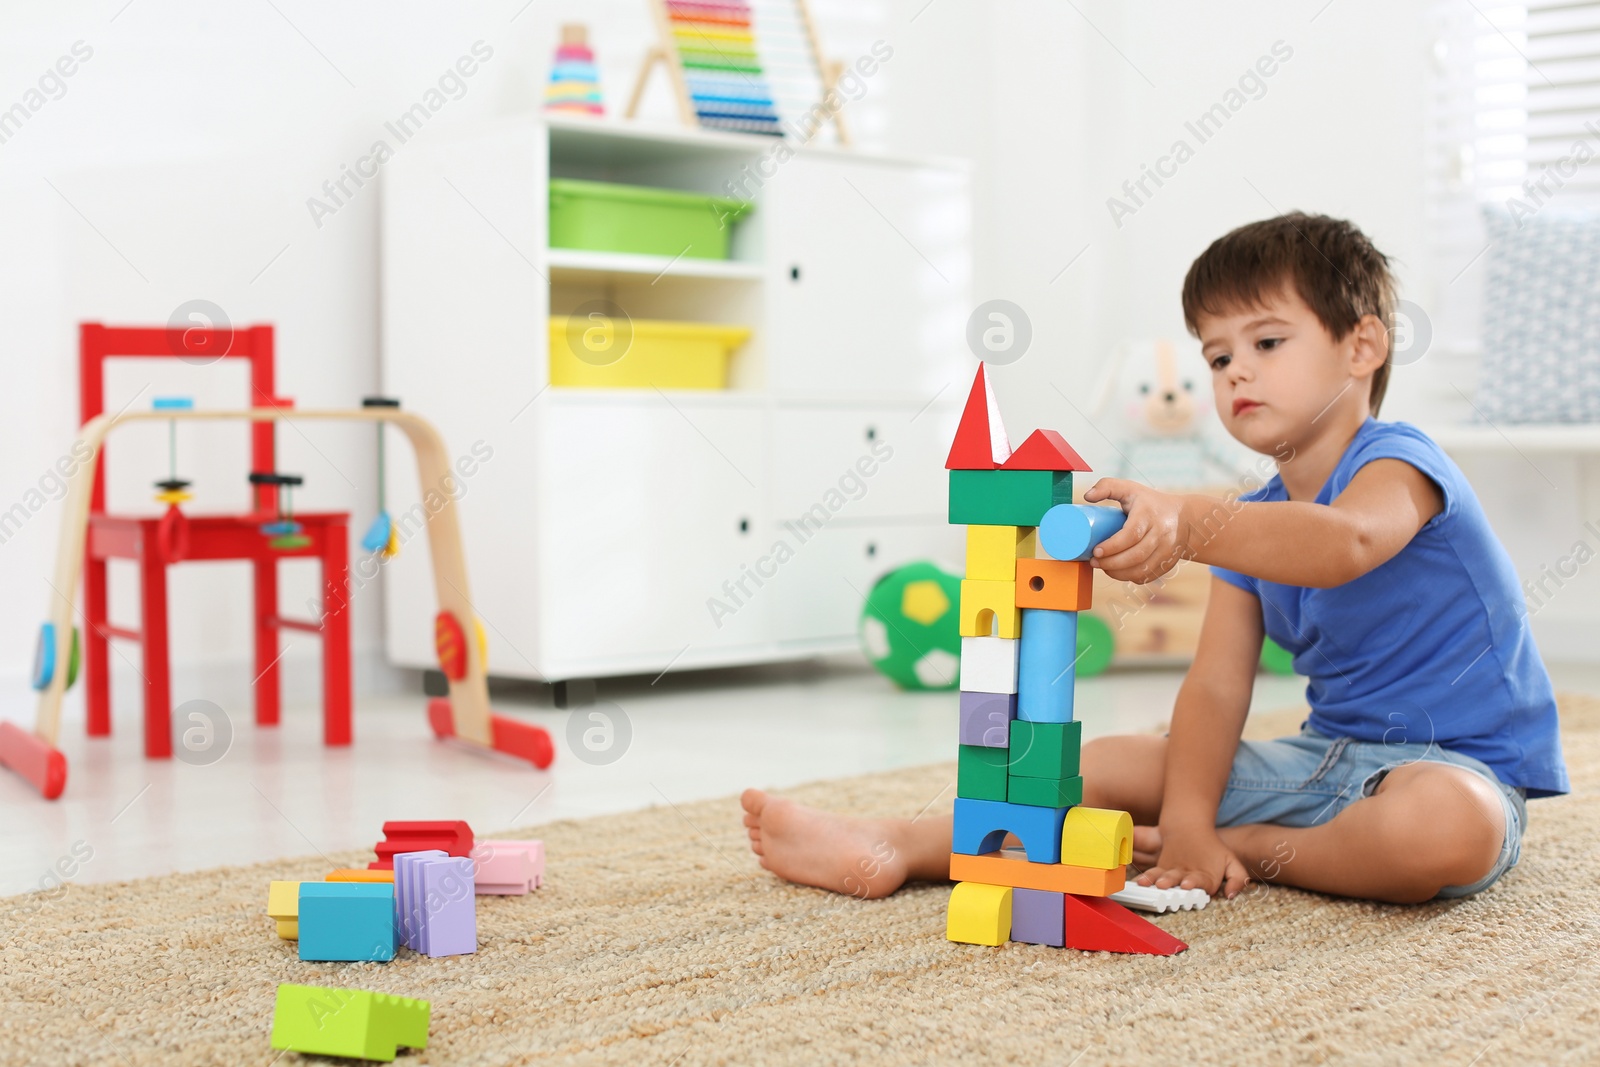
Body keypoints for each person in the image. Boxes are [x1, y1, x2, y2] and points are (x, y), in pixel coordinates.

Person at [741, 213, 1568, 905]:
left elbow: (1345, 543)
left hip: (1453, 772)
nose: (1235, 368)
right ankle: (907, 845)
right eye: (1216, 357)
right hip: (1322, 763)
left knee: (1441, 831)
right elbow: (1215, 685)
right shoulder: (1255, 520)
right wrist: (1189, 811)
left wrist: (1206, 828)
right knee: (1104, 762)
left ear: (1363, 348)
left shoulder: (1403, 463)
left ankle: (1244, 845)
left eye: (1267, 341)